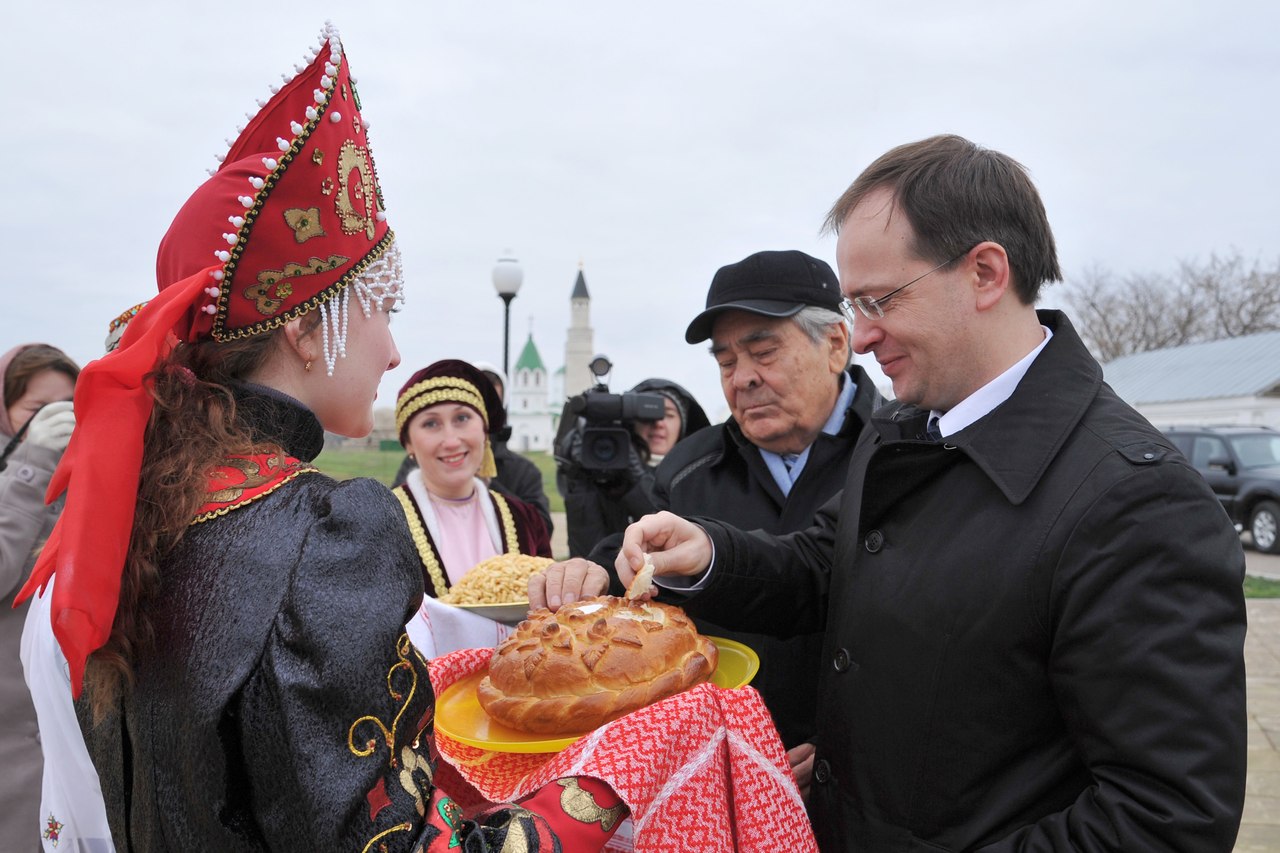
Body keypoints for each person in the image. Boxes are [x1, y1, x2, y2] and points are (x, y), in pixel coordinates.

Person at [540, 134, 1248, 850]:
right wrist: (711, 554)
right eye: (854, 305)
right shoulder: (908, 429)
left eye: (880, 300)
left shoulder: (1137, 501)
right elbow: (827, 565)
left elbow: (1165, 817)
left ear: (985, 273)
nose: (865, 335)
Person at [15, 24, 624, 850]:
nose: (393, 349)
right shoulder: (329, 536)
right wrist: (601, 787)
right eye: (384, 308)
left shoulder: (133, 520)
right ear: (307, 331)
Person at [586, 250, 881, 752]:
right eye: (726, 361)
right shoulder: (687, 468)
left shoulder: (899, 457)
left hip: (860, 777)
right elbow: (638, 580)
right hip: (712, 771)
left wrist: (845, 759)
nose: (741, 378)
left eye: (763, 353)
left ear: (835, 345)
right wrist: (593, 572)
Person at [0, 342, 79, 850]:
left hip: (62, 726)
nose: (53, 422)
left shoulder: (78, 476)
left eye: (65, 409)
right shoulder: (22, 472)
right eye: (36, 410)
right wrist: (28, 469)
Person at [392, 358, 552, 598]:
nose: (452, 440)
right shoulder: (383, 522)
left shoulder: (525, 520)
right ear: (408, 443)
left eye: (462, 418)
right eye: (431, 423)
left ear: (485, 430)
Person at [557, 378, 708, 557]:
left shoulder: (697, 476)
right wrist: (578, 476)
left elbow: (677, 540)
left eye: (668, 415)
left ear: (683, 424)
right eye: (648, 416)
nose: (659, 423)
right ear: (631, 423)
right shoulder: (608, 475)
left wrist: (638, 480)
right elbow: (586, 555)